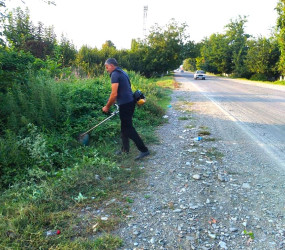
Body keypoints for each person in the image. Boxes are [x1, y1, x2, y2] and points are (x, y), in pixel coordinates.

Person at [103, 58, 150, 160]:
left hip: (126, 104)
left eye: (107, 67)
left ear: (111, 65)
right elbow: (124, 89)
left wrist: (107, 107)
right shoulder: (122, 72)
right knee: (124, 128)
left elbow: (114, 93)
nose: (107, 70)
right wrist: (116, 100)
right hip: (129, 102)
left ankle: (144, 150)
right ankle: (125, 150)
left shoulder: (115, 74)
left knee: (128, 129)